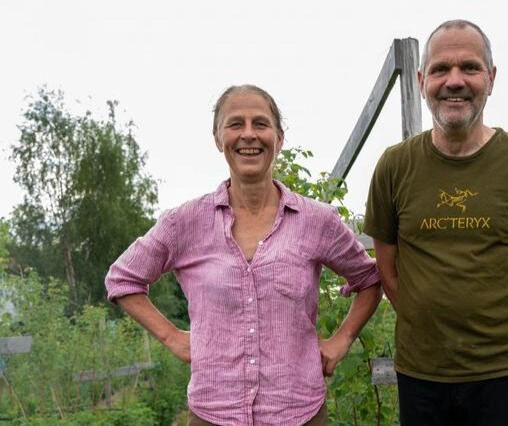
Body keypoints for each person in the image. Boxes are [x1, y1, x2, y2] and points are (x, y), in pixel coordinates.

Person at [105, 84, 382, 426]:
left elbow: (369, 278)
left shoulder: (317, 221)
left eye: (260, 124)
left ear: (279, 138)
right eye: (236, 124)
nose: (248, 134)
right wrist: (172, 337)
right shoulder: (185, 222)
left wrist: (342, 340)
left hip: (299, 412)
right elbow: (123, 279)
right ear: (218, 138)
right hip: (213, 414)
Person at [364, 20, 508, 426]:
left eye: (469, 68)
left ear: (491, 78)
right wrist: (428, 329)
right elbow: (388, 271)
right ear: (421, 80)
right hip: (420, 373)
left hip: (504, 374)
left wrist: (503, 336)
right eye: (440, 69)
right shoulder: (394, 165)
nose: (454, 81)